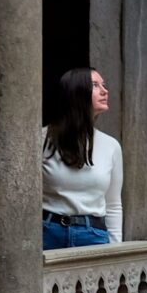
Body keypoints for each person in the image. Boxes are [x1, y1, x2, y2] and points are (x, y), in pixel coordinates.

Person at [41, 68, 123, 249]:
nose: (104, 90)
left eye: (104, 84)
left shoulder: (111, 146)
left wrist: (116, 250)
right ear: (76, 93)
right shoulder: (40, 140)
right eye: (95, 85)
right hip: (47, 233)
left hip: (94, 236)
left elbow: (114, 205)